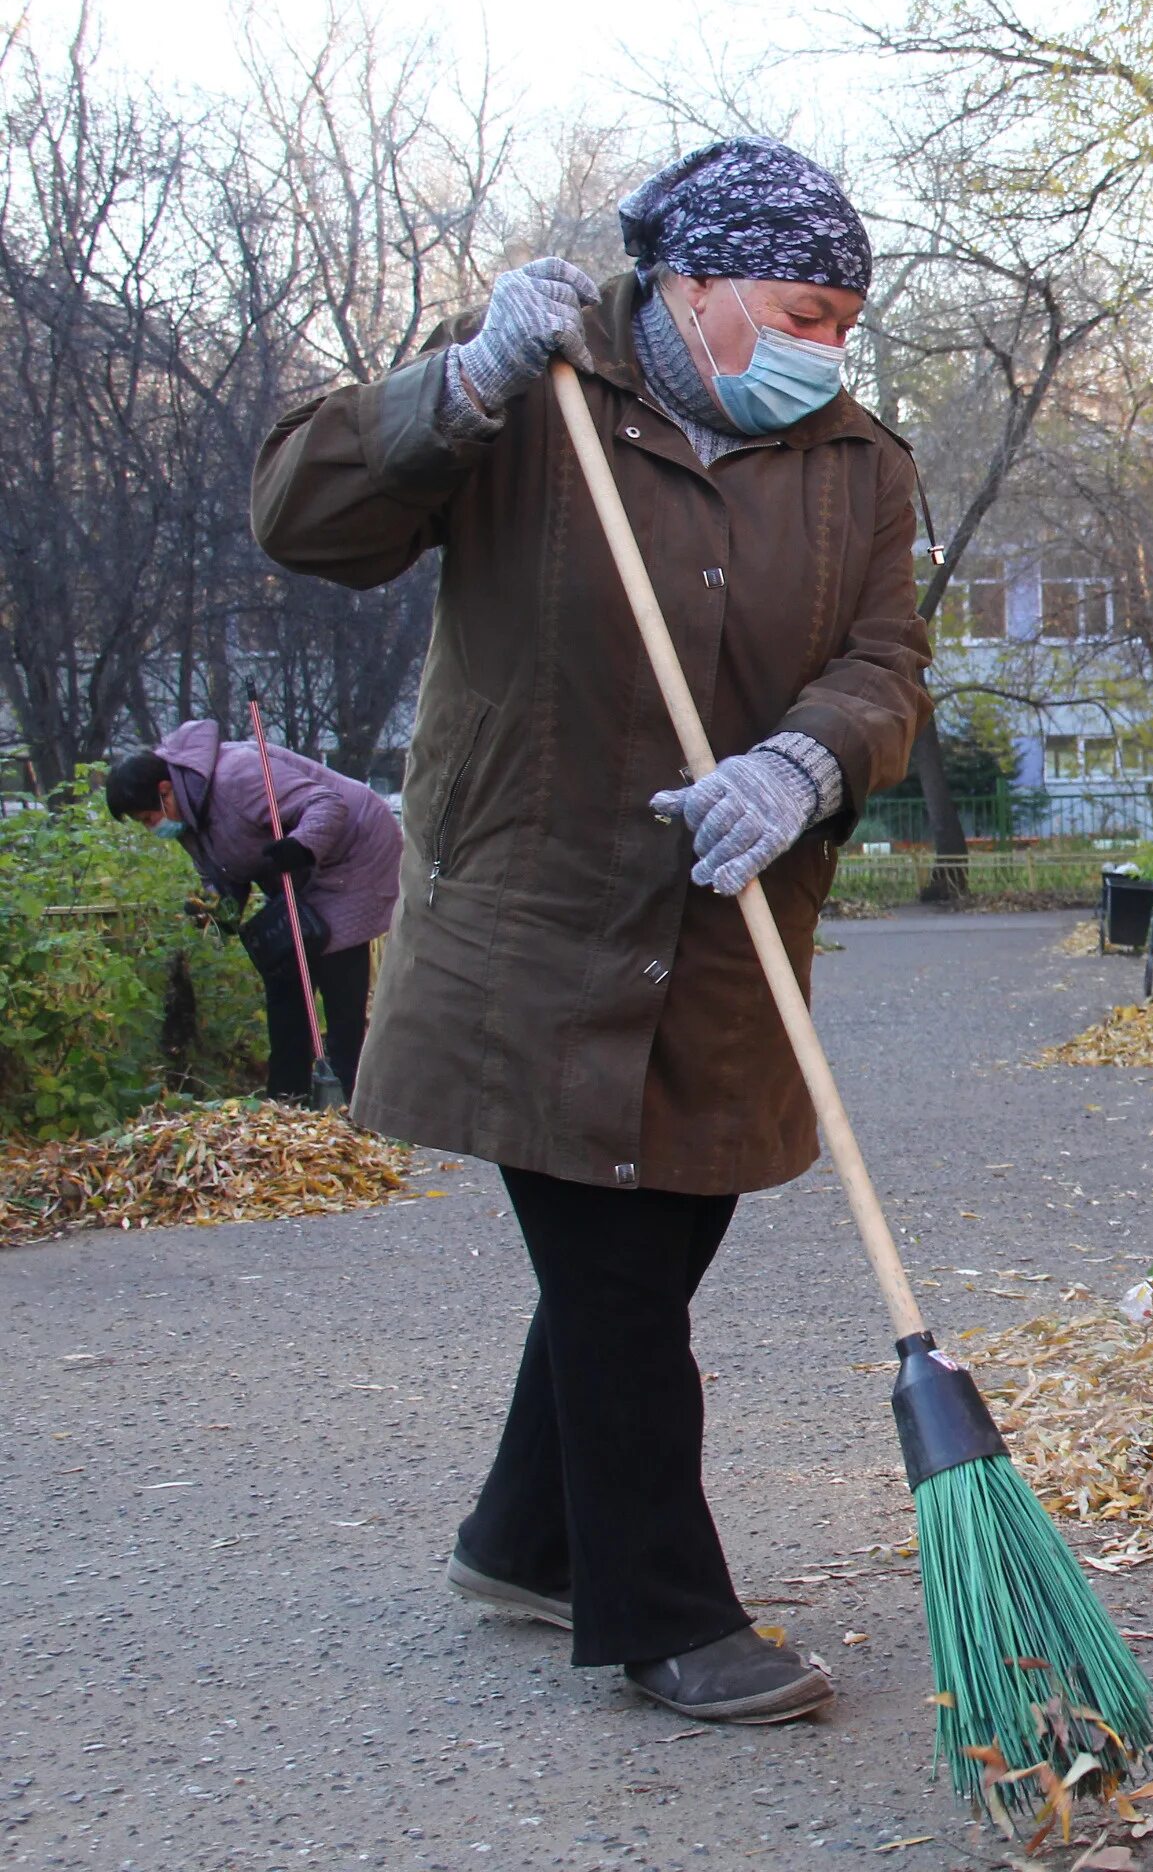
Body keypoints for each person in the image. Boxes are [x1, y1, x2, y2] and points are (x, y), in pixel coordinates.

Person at [250, 139, 929, 1726]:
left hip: (723, 929)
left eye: (848, 318)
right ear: (688, 288)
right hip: (534, 923)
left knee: (655, 1247)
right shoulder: (542, 395)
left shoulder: (858, 467)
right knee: (618, 1272)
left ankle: (523, 1536)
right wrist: (458, 386)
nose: (828, 345)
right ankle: (661, 1613)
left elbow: (890, 663)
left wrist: (809, 757)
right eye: (802, 307)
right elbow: (305, 517)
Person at [103, 728, 402, 1099]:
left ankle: (349, 1096)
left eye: (149, 817)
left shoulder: (238, 776)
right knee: (284, 979)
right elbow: (223, 869)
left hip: (353, 852)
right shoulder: (188, 810)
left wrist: (301, 845)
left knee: (336, 969)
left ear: (166, 789)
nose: (153, 828)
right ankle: (287, 1097)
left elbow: (327, 804)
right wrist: (217, 908)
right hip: (297, 872)